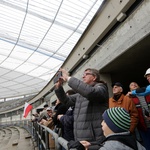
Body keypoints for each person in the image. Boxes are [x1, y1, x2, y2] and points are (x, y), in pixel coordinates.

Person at [54, 68, 109, 149]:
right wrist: (59, 87)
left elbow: (90, 92)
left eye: (86, 74)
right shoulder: (80, 94)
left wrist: (68, 78)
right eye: (83, 74)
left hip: (94, 141)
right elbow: (66, 100)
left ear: (94, 77)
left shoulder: (101, 88)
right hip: (80, 140)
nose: (83, 77)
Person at [75, 107, 146, 150]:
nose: (101, 123)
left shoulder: (109, 148)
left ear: (114, 127)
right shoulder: (136, 144)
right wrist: (91, 146)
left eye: (105, 121)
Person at [127, 82, 150, 150]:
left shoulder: (147, 94)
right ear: (130, 89)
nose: (134, 85)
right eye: (131, 85)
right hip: (142, 126)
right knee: (146, 144)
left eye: (135, 84)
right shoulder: (129, 99)